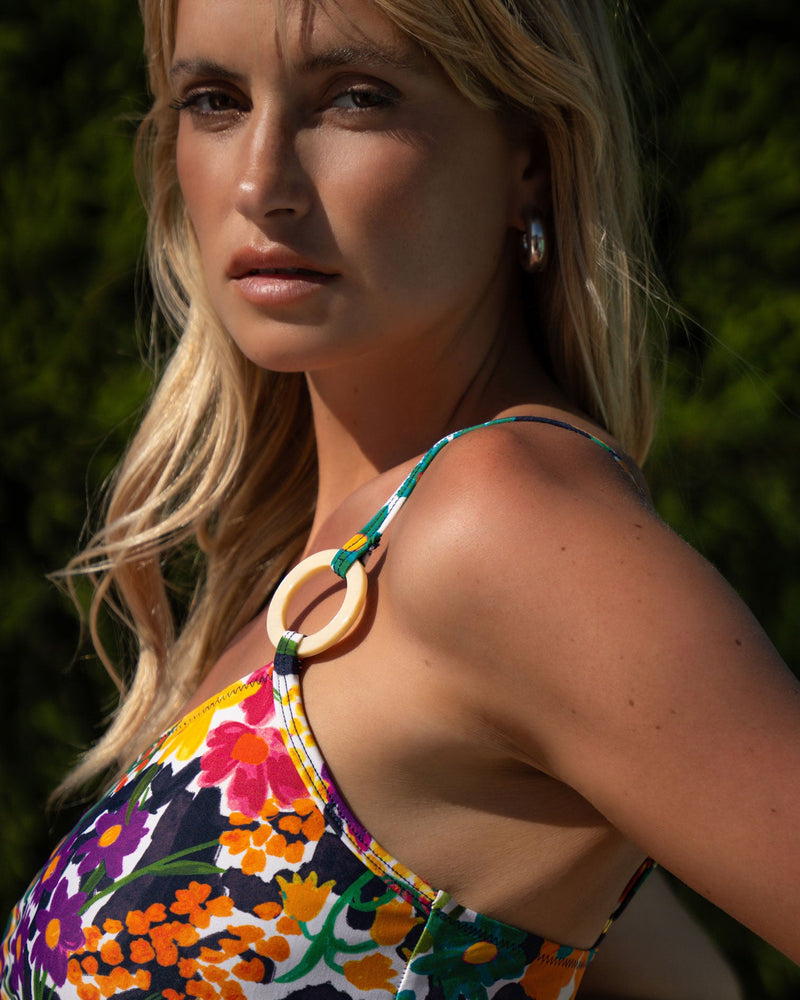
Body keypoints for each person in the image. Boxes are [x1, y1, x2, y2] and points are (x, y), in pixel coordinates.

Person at [2, 0, 797, 997]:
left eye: (357, 99)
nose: (259, 182)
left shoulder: (506, 531)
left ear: (529, 159)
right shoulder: (329, 559)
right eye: (212, 100)